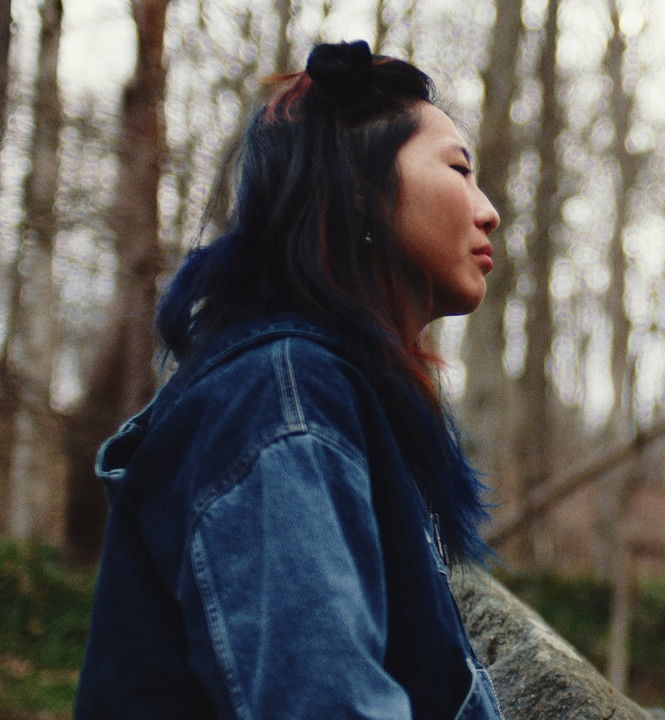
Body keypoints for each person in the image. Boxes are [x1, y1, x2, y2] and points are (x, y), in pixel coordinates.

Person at [74, 40, 504, 719]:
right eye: (459, 170)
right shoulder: (282, 399)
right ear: (358, 185)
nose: (489, 212)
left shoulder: (319, 394)